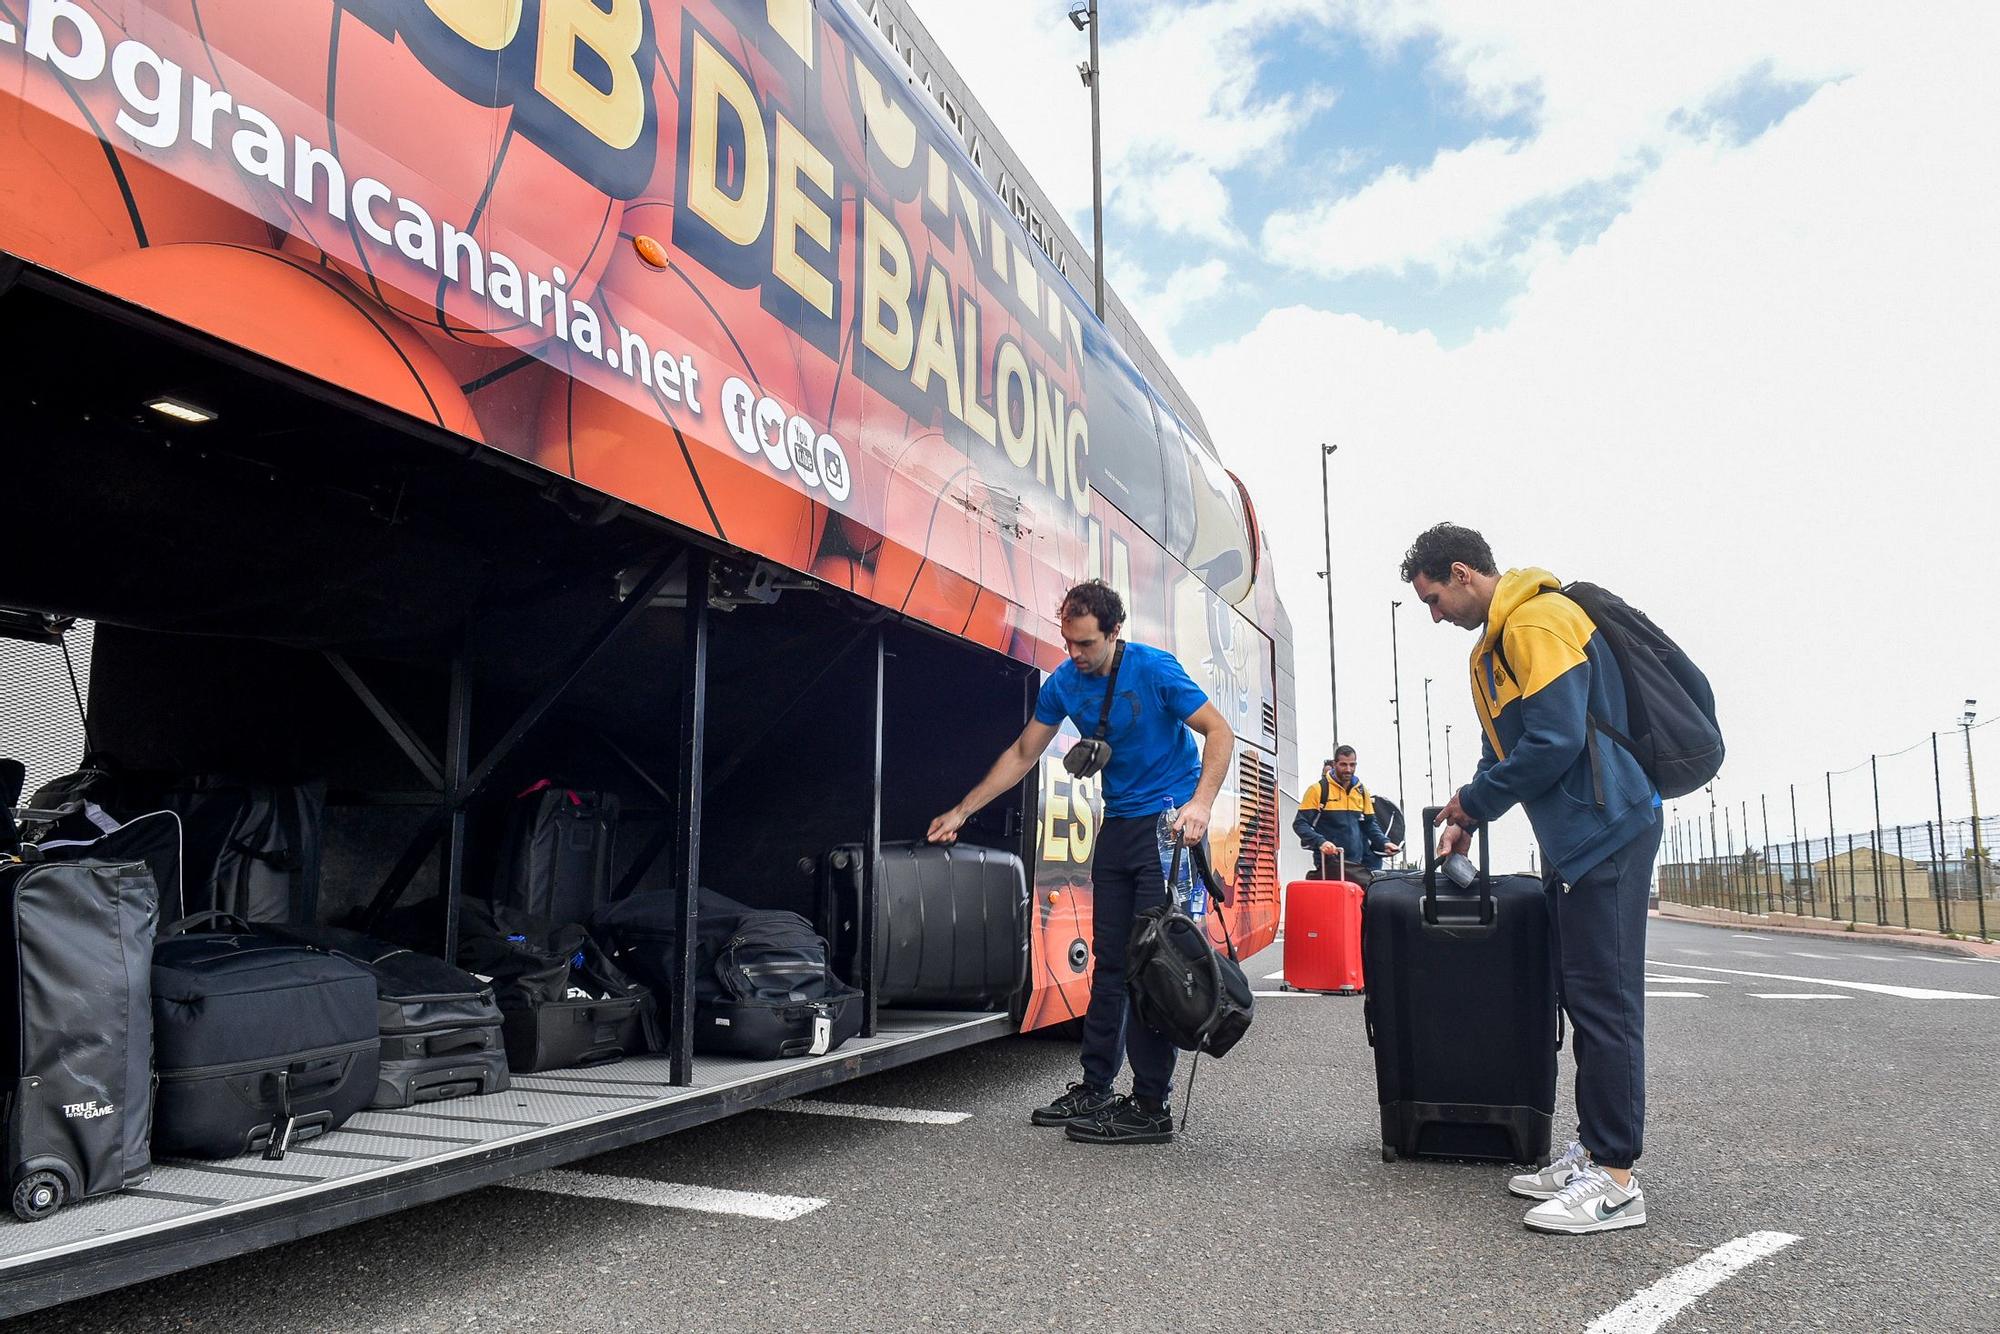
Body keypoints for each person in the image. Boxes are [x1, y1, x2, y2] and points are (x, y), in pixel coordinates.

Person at [1400, 523, 1663, 1235]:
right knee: (1584, 995)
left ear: (1461, 572)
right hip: (1577, 834)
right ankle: (1595, 1149)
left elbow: (1554, 741)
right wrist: (1467, 814)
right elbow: (1507, 749)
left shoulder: (1537, 619)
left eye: (1432, 599)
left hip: (1606, 825)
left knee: (1605, 1001)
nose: (1433, 615)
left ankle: (1615, 1181)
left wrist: (1478, 803)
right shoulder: (1497, 644)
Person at [927, 580, 1234, 1145]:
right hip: (1117, 826)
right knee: (1109, 963)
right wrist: (962, 810)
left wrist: (1201, 804)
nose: (1074, 654)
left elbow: (1220, 731)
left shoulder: (1155, 669)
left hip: (1167, 826)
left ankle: (1150, 1105)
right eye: (1067, 642)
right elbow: (1024, 752)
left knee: (1152, 962)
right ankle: (1096, 1087)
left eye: (1085, 644)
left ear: (1115, 634)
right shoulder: (1066, 682)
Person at [1292, 747, 1398, 877]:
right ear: (1335, 764)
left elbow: (1370, 824)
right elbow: (1300, 824)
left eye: (1352, 765)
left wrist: (1384, 842)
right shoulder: (1317, 790)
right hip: (1330, 863)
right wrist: (1321, 842)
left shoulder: (1361, 790)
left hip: (1358, 863)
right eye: (1343, 764)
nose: (1348, 769)